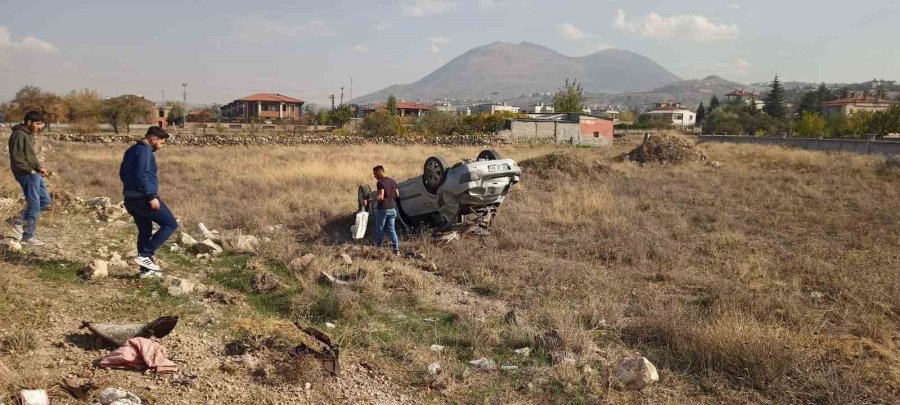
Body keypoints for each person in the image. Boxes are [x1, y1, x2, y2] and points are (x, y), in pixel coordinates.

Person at [119, 127, 178, 278]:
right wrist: (150, 196)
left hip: (130, 198)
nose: (161, 146)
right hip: (143, 198)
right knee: (170, 224)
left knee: (145, 231)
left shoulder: (131, 150)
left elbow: (122, 174)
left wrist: (131, 190)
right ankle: (146, 254)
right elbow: (142, 174)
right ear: (153, 139)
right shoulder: (145, 152)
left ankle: (146, 270)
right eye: (162, 143)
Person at [7, 111, 52, 246]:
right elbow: (16, 158)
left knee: (45, 200)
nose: (39, 126)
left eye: (41, 124)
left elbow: (30, 156)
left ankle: (17, 220)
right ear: (29, 122)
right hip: (25, 174)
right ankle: (28, 236)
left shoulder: (28, 134)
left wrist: (39, 168)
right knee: (34, 204)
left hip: (33, 173)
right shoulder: (19, 134)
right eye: (38, 124)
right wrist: (31, 171)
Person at [367, 165, 400, 255]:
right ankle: (396, 250)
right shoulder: (392, 181)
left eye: (375, 174)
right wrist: (390, 199)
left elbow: (381, 196)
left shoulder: (380, 182)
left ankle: (378, 248)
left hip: (383, 209)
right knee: (392, 229)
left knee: (379, 229)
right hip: (392, 208)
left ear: (379, 172)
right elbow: (397, 194)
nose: (374, 176)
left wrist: (370, 200)